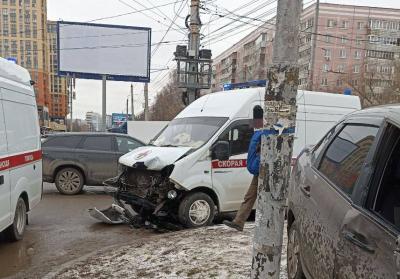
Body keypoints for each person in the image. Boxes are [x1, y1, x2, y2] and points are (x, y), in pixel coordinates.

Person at [223, 129, 262, 231]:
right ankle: (239, 222)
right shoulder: (263, 132)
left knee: (268, 198)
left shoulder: (265, 132)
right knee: (249, 196)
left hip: (266, 171)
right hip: (260, 170)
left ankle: (240, 222)